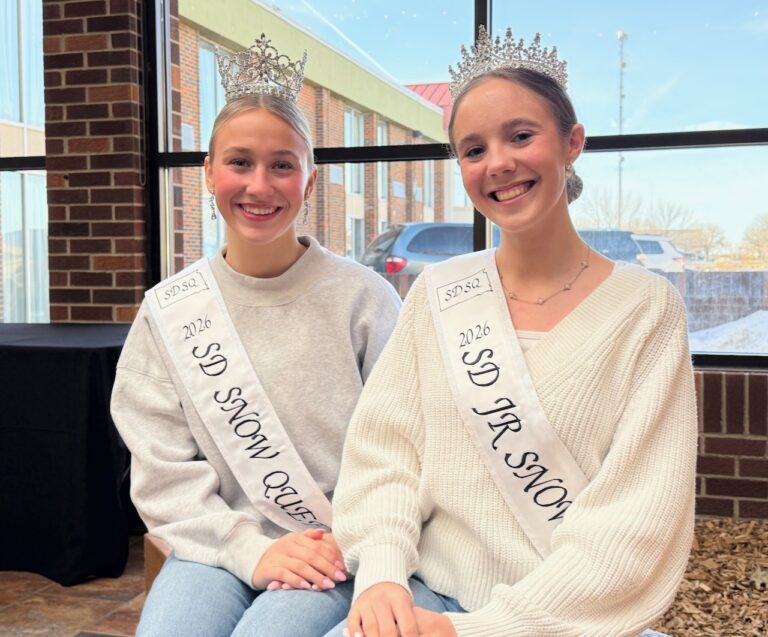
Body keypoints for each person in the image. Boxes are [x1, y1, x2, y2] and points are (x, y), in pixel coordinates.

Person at [323, 26, 696, 637]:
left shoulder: (645, 309)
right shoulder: (441, 293)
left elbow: (638, 519)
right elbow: (386, 452)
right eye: (473, 150)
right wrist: (384, 572)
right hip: (427, 597)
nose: (498, 163)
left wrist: (475, 632)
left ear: (572, 142)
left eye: (521, 135)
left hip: (570, 621)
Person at [111, 34, 401, 637]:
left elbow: (404, 448)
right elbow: (162, 472)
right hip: (217, 541)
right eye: (240, 162)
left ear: (310, 183)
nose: (260, 186)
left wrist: (354, 544)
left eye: (282, 165)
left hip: (337, 542)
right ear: (209, 172)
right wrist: (246, 547)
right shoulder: (169, 312)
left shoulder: (365, 299)